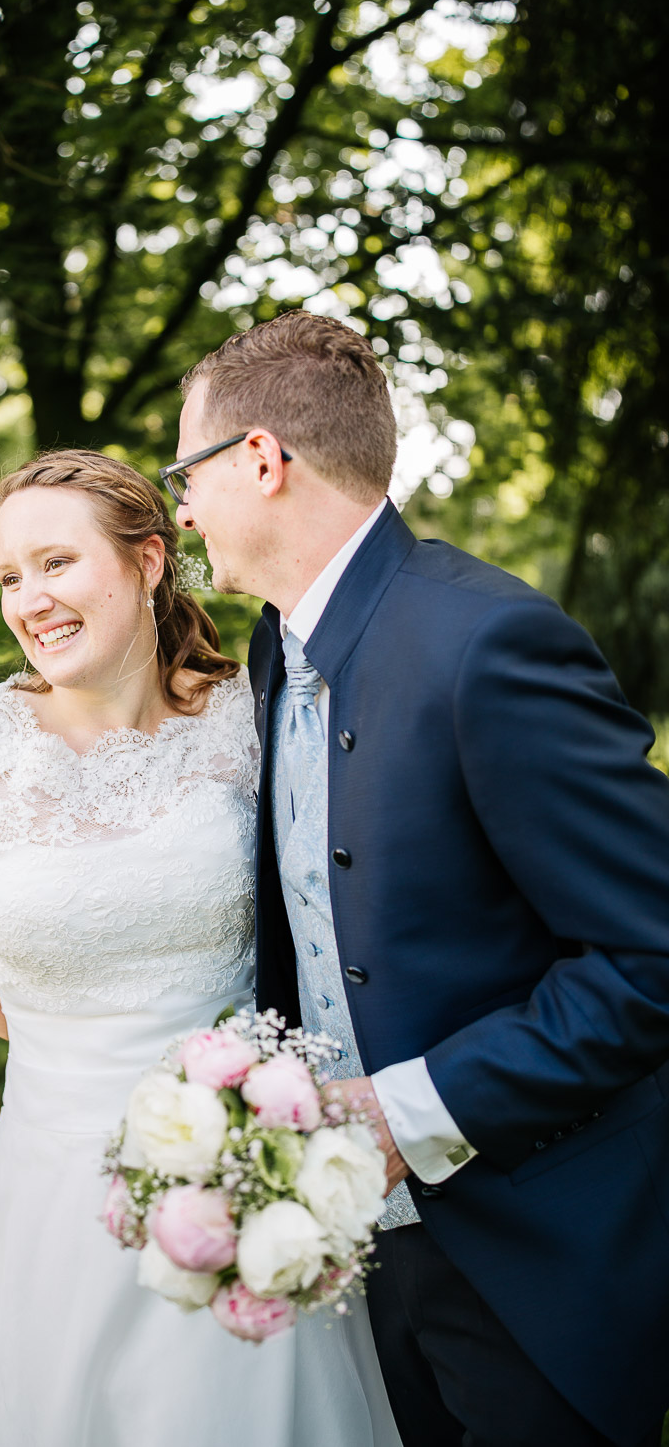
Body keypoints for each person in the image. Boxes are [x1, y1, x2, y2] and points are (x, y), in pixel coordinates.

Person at [168, 310, 669, 1447]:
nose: (181, 508)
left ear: (260, 458)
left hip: (533, 1255)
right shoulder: (269, 648)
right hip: (355, 1247)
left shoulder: (488, 642)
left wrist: (408, 1114)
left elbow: (652, 955)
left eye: (185, 472)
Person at [0, 449, 402, 1447]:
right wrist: (68, 1055)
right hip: (50, 1171)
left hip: (243, 1159)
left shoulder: (255, 723)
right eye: (8, 576)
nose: (29, 598)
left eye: (55, 563)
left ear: (150, 562)